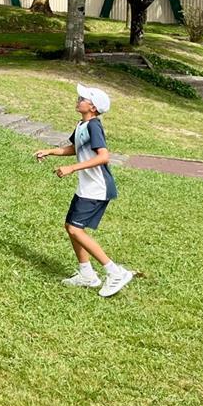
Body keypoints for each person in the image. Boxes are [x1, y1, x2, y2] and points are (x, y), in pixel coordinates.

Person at [35, 85, 133, 298]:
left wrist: (72, 168)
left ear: (93, 107)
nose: (78, 99)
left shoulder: (94, 126)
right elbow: (75, 148)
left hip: (97, 188)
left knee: (76, 230)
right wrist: (51, 151)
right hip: (86, 187)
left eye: (83, 98)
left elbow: (103, 156)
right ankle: (87, 274)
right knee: (71, 227)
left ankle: (114, 272)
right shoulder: (82, 124)